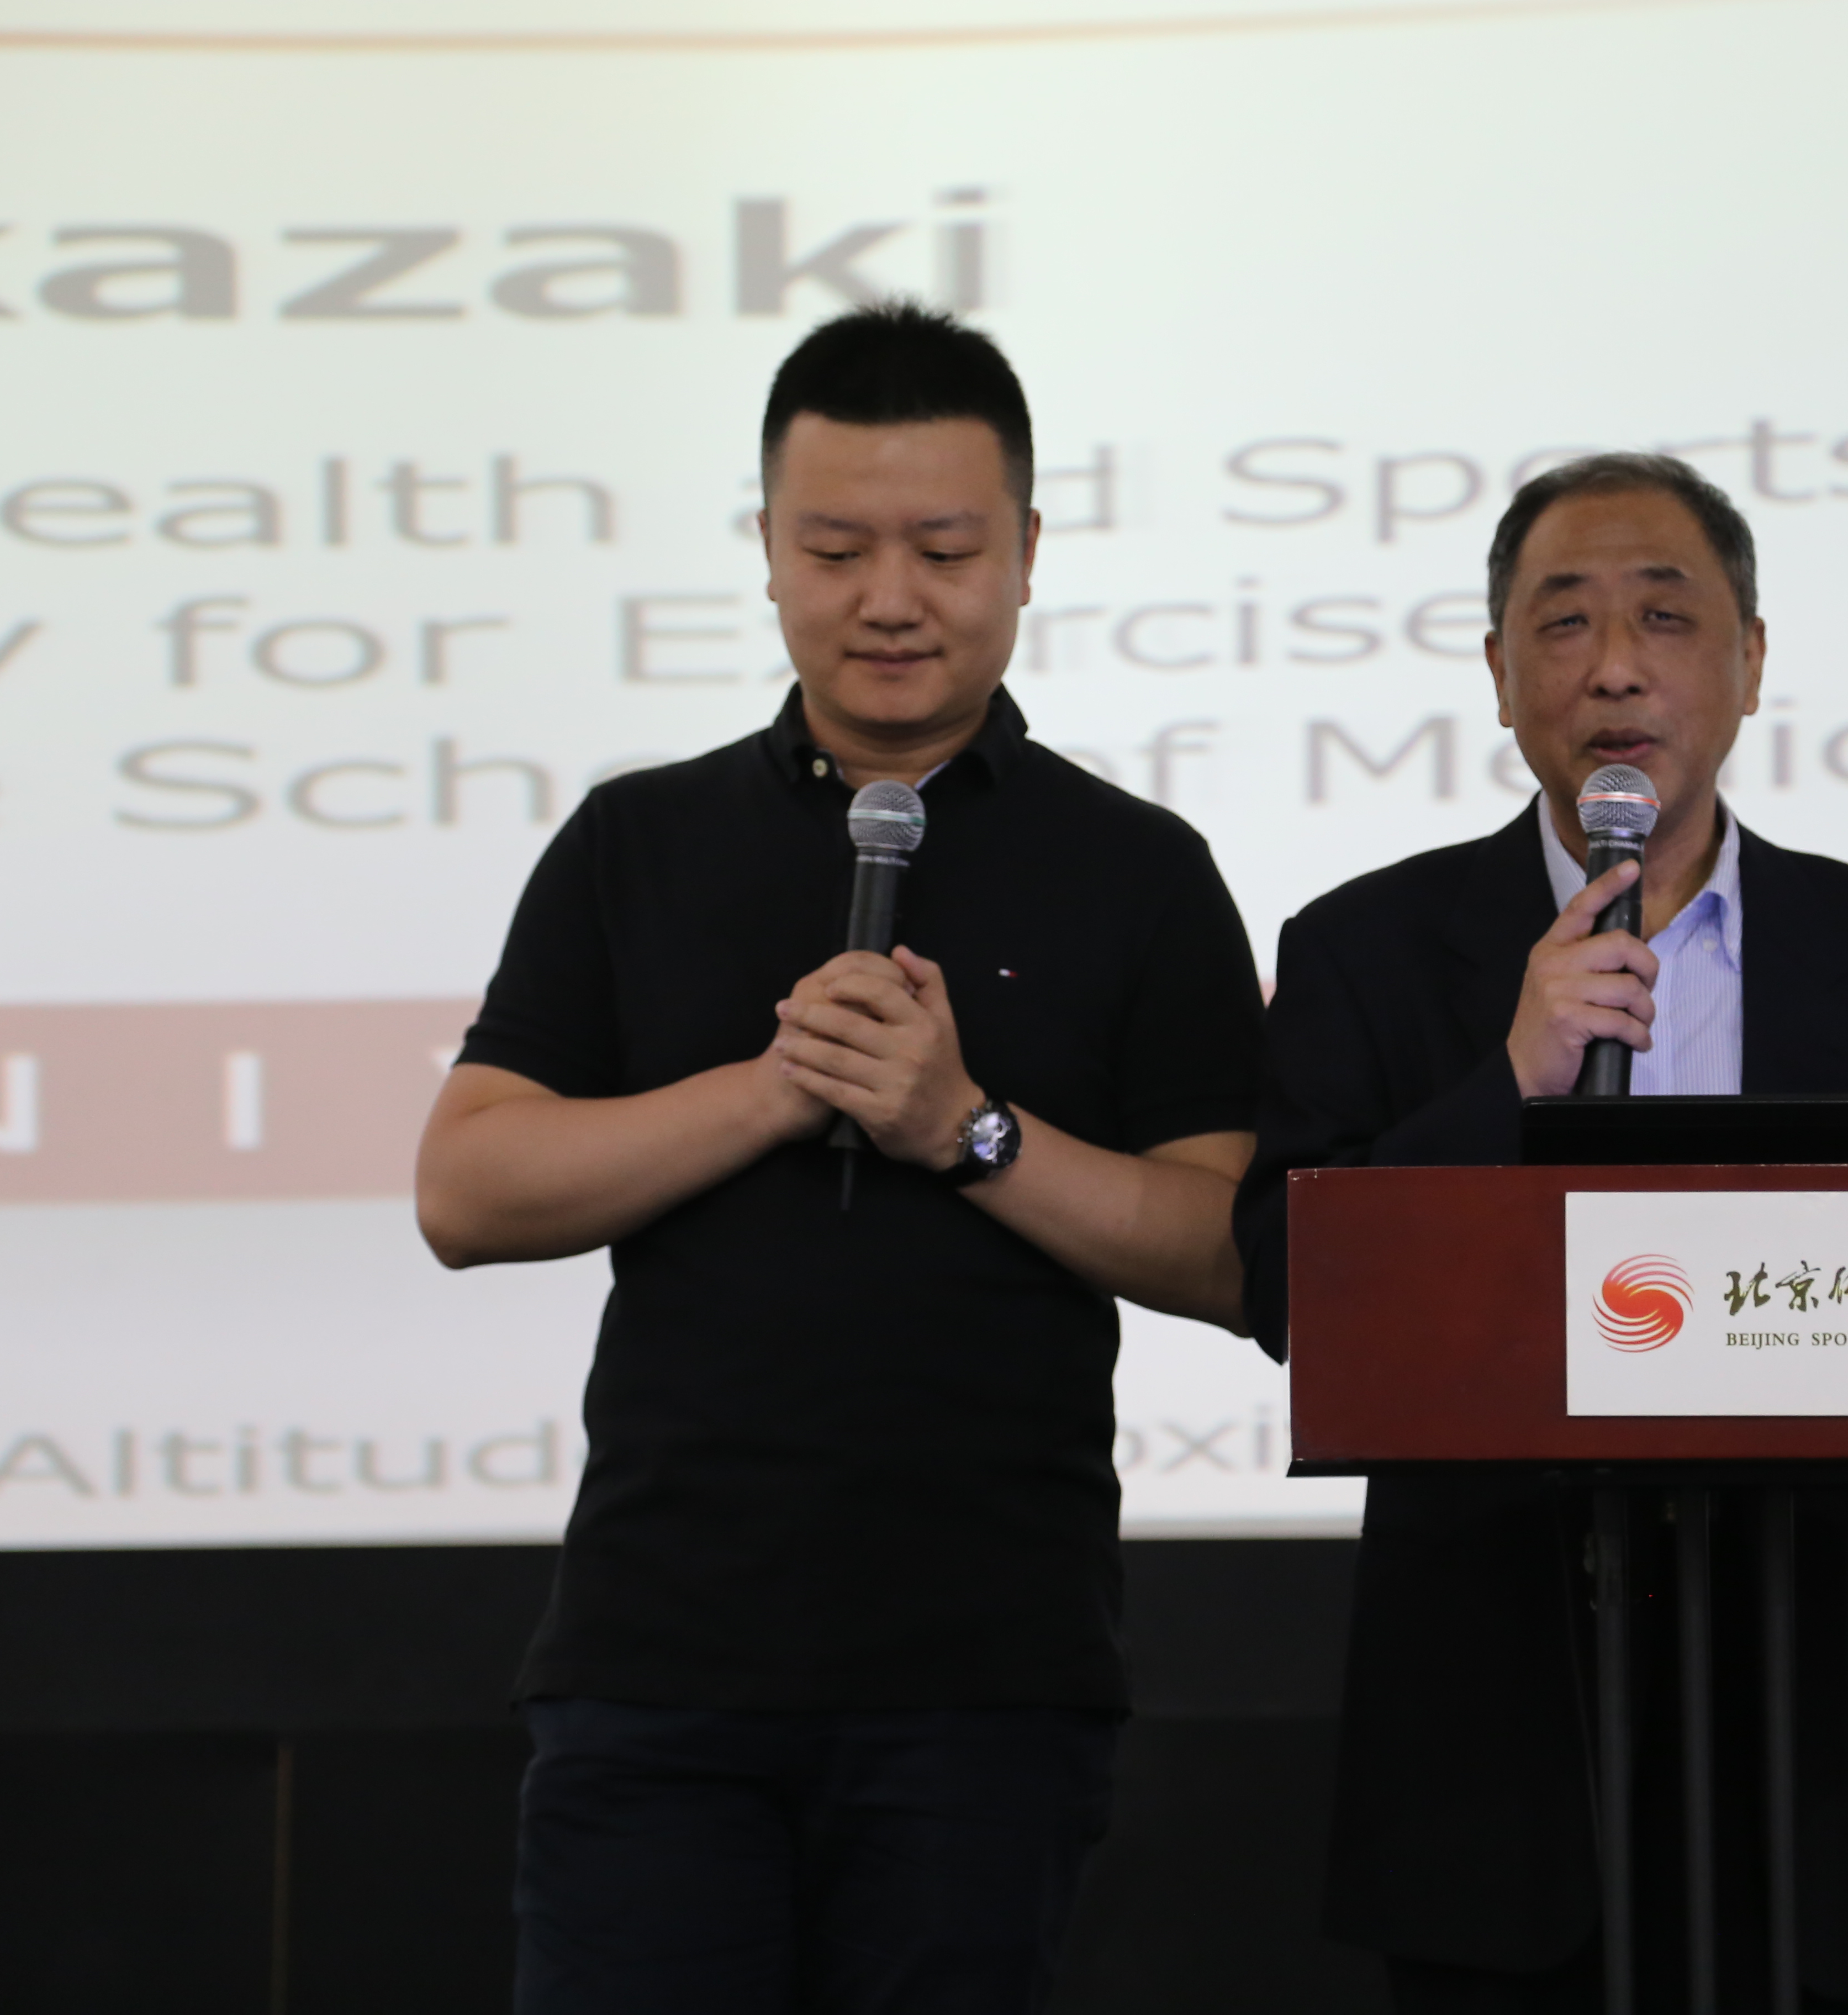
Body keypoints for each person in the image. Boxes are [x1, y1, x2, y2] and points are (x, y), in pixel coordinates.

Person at [415, 303, 1267, 2014]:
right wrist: (775, 1089)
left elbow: (1240, 1253)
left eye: (944, 550)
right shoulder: (639, 840)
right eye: (835, 549)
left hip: (986, 1677)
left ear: (1027, 553)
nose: (890, 597)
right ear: (766, 552)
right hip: (661, 1663)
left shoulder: (1138, 869)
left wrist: (965, 1130)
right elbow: (467, 1191)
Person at [1232, 453, 1848, 2013]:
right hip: (1500, 1734)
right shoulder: (1365, 950)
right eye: (1564, 622)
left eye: (1664, 618)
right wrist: (1504, 1083)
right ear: (1499, 673)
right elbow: (1285, 1288)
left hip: (1818, 1720)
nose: (1614, 667)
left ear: (1751, 662)